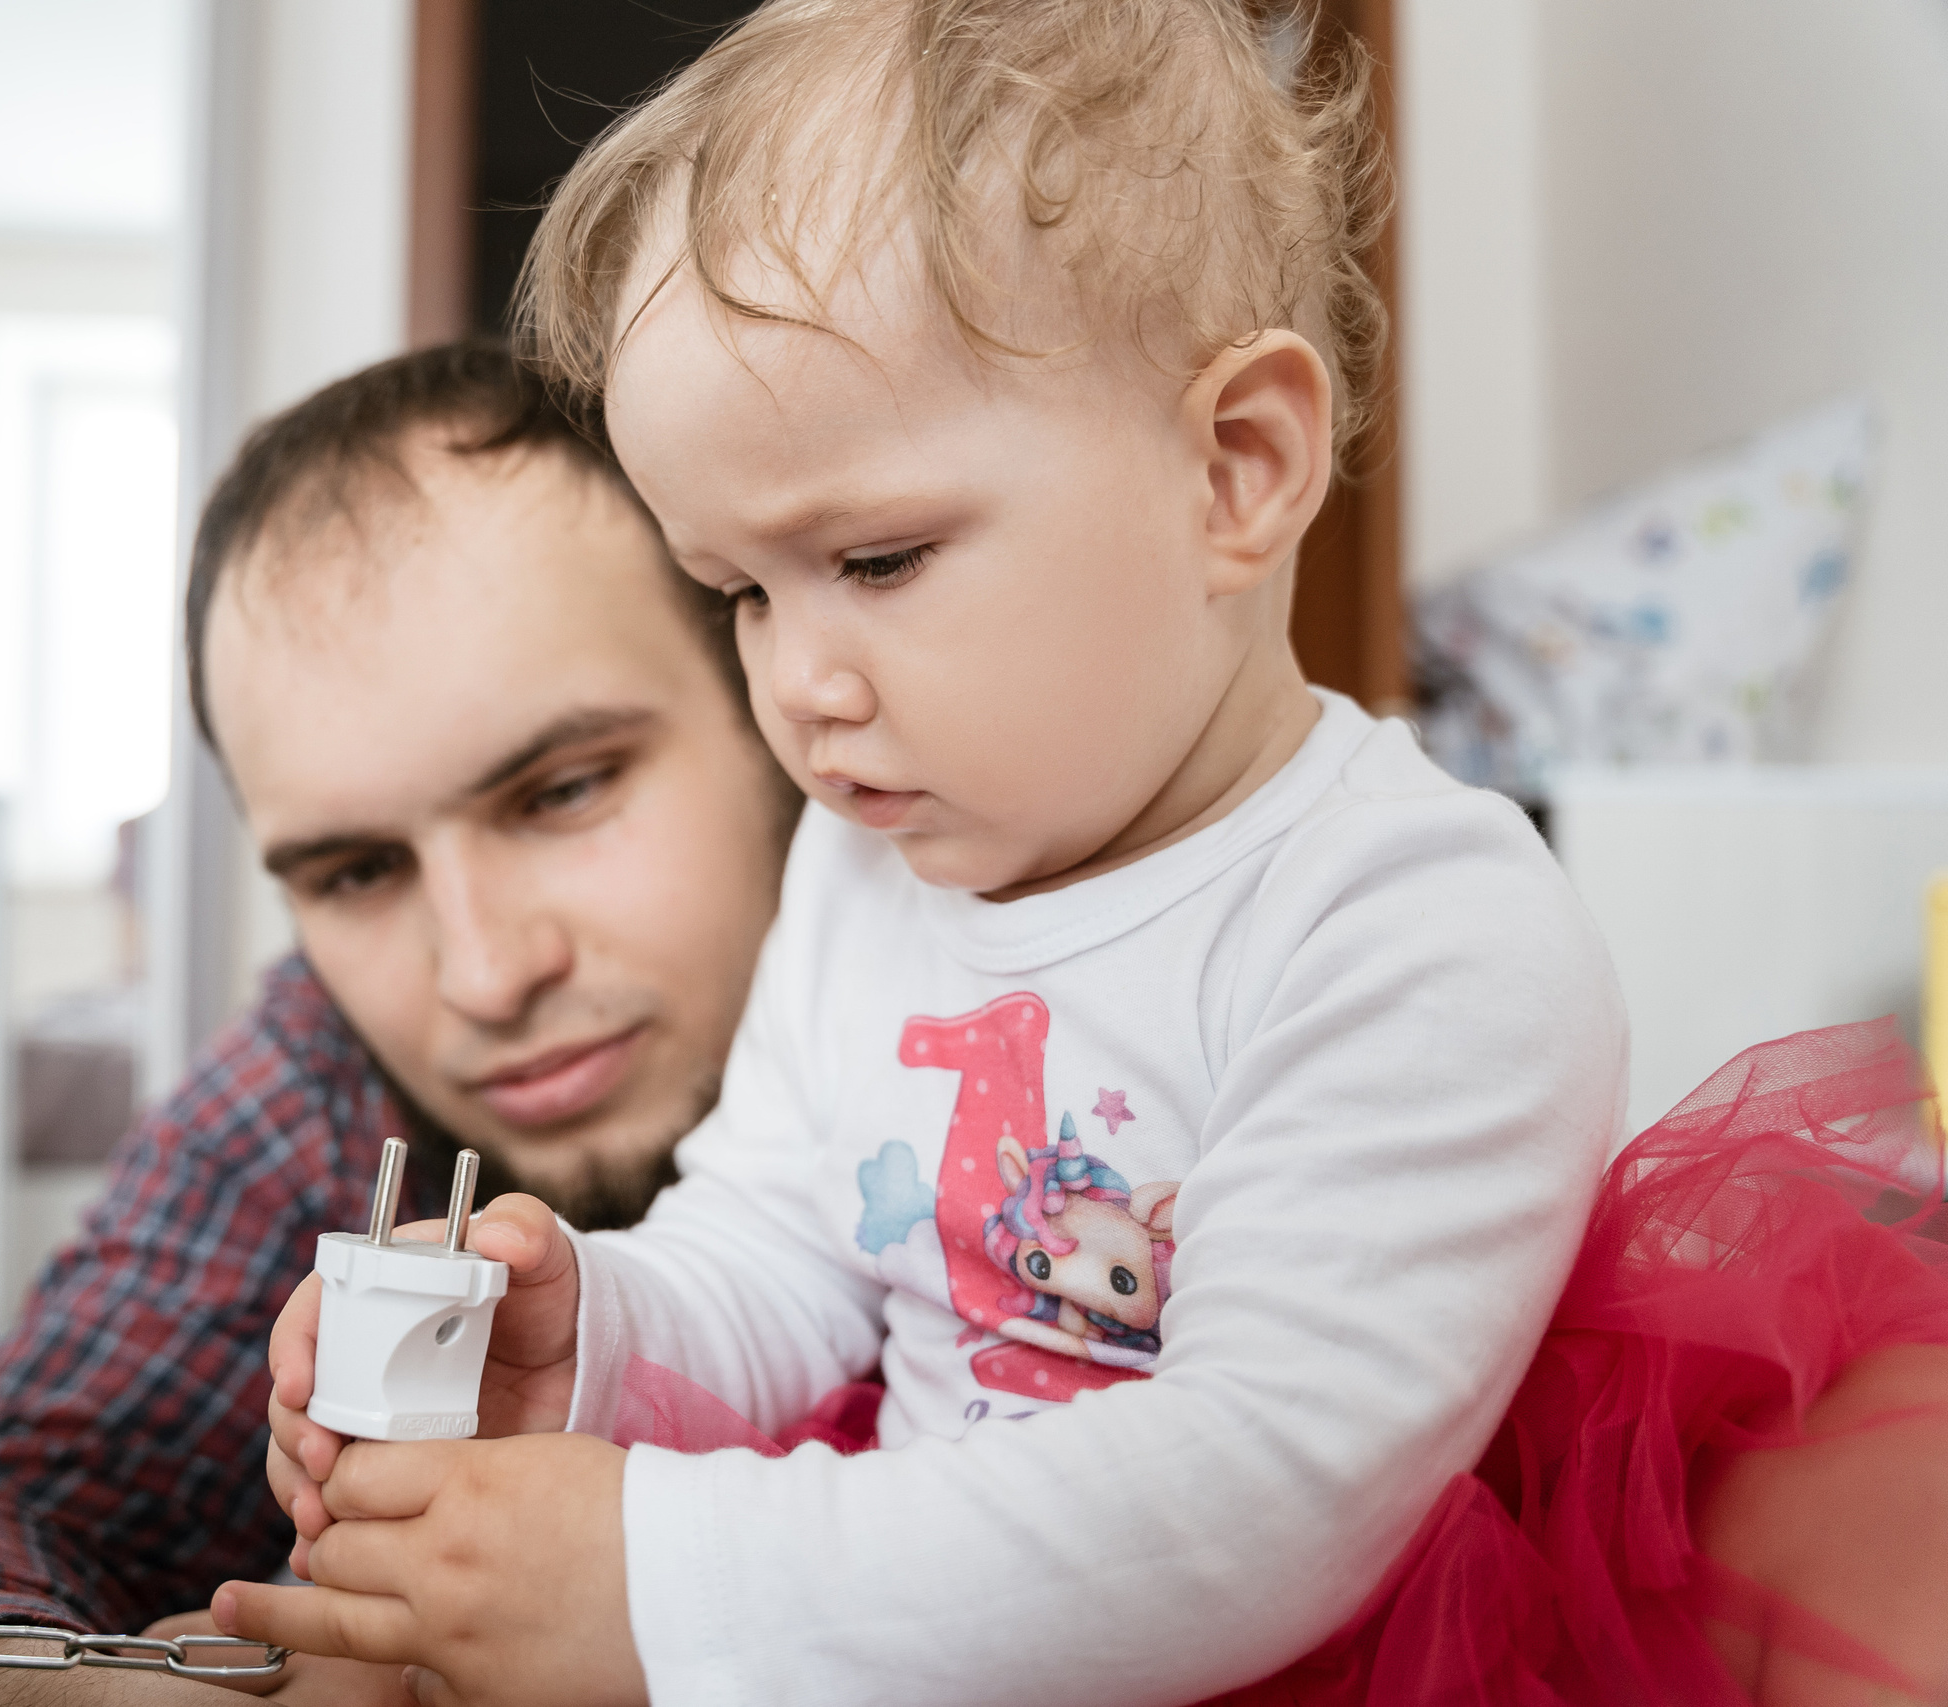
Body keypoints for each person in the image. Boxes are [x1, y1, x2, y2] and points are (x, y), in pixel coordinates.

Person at [239, 5, 1948, 1705]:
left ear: (1234, 469)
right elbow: (773, 1259)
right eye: (743, 592)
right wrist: (592, 1335)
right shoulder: (859, 876)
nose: (797, 686)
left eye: (882, 558)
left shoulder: (1412, 922)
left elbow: (1253, 1489)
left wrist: (664, 1580)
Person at [0, 342, 800, 1705]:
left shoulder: (1084, 1044)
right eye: (356, 873)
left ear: (777, 692)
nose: (481, 976)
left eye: (562, 791)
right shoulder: (329, 1070)